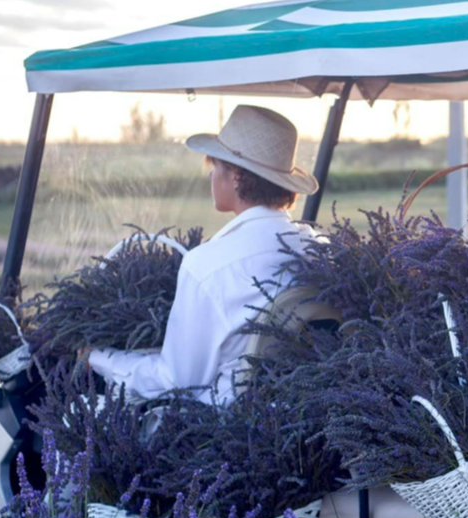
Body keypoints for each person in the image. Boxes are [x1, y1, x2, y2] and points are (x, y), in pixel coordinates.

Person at [78, 104, 319, 405]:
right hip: (298, 412)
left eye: (214, 166)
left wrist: (102, 358)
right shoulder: (320, 248)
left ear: (236, 176)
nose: (210, 176)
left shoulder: (208, 265)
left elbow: (176, 381)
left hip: (215, 432)